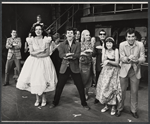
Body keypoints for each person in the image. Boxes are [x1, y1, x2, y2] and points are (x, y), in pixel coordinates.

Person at [16, 23, 58, 107]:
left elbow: (47, 53)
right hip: (33, 62)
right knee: (35, 80)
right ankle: (37, 99)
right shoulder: (31, 39)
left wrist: (37, 54)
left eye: (40, 29)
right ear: (34, 31)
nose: (38, 31)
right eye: (36, 29)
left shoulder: (46, 39)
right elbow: (31, 52)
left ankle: (44, 98)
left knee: (43, 79)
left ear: (42, 31)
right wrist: (41, 50)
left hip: (44, 61)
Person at [49, 27, 90, 110]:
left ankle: (84, 103)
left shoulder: (78, 44)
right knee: (59, 86)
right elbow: (61, 55)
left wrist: (71, 56)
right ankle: (55, 102)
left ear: (74, 35)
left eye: (71, 33)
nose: (70, 34)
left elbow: (78, 54)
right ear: (66, 35)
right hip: (64, 67)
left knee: (80, 86)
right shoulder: (62, 44)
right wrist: (66, 56)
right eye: (68, 33)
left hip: (74, 67)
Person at [116, 28, 145, 118]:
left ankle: (134, 110)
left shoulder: (140, 45)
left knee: (134, 92)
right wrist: (128, 58)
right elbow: (121, 57)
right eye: (129, 36)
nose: (131, 38)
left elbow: (143, 58)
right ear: (126, 37)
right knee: (122, 91)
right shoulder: (122, 45)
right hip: (124, 70)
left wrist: (137, 60)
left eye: (132, 36)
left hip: (135, 71)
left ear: (135, 37)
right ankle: (119, 108)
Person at [96, 37, 122, 116]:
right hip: (106, 71)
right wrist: (105, 56)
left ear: (113, 43)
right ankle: (106, 105)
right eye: (107, 43)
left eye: (110, 43)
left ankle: (113, 106)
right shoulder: (104, 49)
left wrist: (109, 61)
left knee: (113, 88)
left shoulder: (116, 50)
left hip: (114, 71)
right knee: (105, 88)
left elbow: (117, 62)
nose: (108, 44)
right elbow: (102, 61)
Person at [92, 29, 107, 103]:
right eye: (101, 34)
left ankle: (104, 96)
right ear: (99, 35)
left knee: (106, 82)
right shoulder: (97, 43)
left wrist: (104, 48)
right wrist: (95, 48)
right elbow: (93, 54)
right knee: (98, 82)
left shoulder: (108, 43)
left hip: (106, 66)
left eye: (104, 34)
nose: (102, 35)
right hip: (98, 65)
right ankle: (97, 97)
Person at [79, 30, 93, 100]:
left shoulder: (91, 43)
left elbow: (93, 52)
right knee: (82, 79)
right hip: (82, 63)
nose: (88, 36)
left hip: (89, 62)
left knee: (89, 79)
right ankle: (82, 93)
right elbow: (78, 53)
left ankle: (86, 93)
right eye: (87, 35)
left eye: (89, 35)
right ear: (83, 36)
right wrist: (83, 52)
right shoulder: (80, 43)